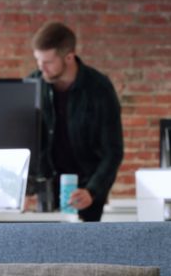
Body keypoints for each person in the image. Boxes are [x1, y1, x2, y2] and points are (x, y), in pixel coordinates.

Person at [28, 22, 124, 222]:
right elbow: (23, 141)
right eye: (38, 60)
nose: (41, 68)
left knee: (83, 251)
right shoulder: (34, 84)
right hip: (45, 191)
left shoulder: (99, 88)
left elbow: (112, 151)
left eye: (47, 62)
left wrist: (93, 190)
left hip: (86, 191)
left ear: (69, 57)